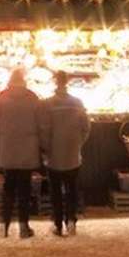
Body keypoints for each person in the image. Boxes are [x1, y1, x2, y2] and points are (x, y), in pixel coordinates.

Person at [0, 67, 41, 238]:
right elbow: (40, 123)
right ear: (24, 81)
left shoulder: (2, 98)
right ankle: (23, 227)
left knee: (8, 187)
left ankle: (3, 226)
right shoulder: (33, 98)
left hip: (8, 148)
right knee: (24, 189)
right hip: (27, 149)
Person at [39, 70, 90, 236]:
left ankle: (58, 224)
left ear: (55, 82)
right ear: (67, 82)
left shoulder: (47, 104)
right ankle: (71, 221)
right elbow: (86, 128)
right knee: (72, 190)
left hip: (54, 155)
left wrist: (46, 149)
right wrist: (77, 144)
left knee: (55, 192)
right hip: (73, 155)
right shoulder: (78, 102)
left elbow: (44, 130)